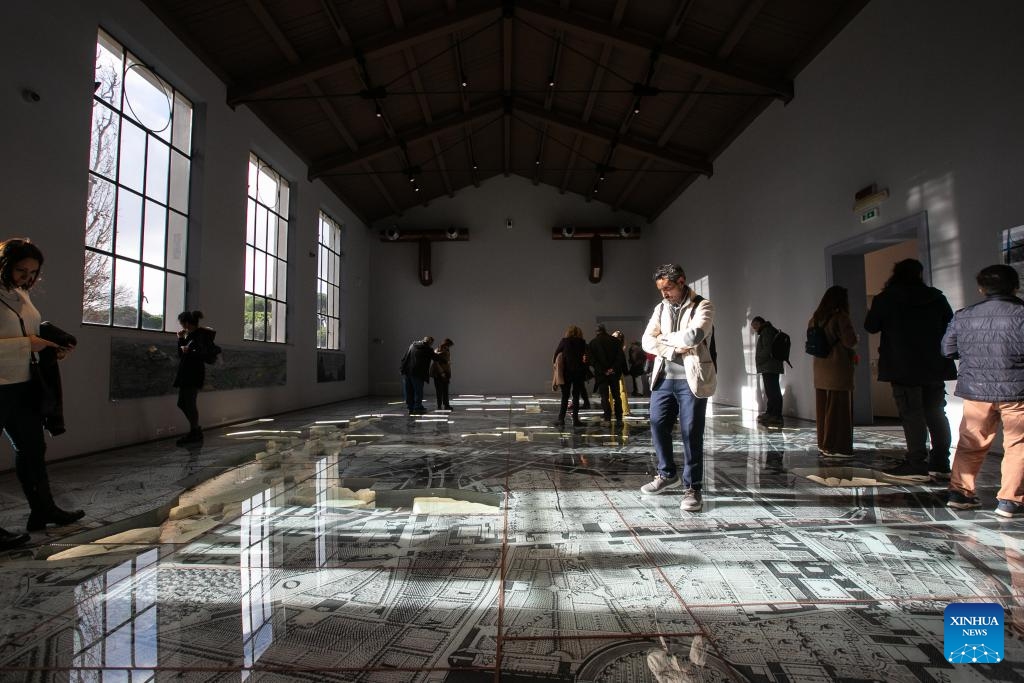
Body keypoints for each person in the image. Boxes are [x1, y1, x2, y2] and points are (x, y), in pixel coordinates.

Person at [0, 238, 84, 539]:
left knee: (33, 449)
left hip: (22, 382)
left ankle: (43, 509)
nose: (27, 278)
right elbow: (23, 338)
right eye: (21, 270)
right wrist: (28, 344)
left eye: (33, 272)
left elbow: (29, 329)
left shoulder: (20, 294)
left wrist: (51, 345)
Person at [864, 259, 957, 481]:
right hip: (934, 364)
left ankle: (916, 463)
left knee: (911, 413)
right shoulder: (936, 297)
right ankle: (941, 462)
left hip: (902, 364)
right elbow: (950, 325)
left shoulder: (886, 299)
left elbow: (871, 326)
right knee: (936, 412)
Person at [943, 264, 1024, 518]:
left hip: (976, 389)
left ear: (981, 288)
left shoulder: (964, 315)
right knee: (1018, 443)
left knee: (971, 442)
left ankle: (960, 494)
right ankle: (1009, 501)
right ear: (1016, 286)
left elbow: (947, 349)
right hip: (1017, 389)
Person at [640, 264, 716, 512]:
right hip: (663, 379)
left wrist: (663, 338)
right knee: (657, 424)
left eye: (668, 288)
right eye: (661, 289)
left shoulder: (702, 306)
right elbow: (646, 341)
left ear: (681, 281)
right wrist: (672, 346)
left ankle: (692, 488)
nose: (664, 293)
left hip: (691, 380)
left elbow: (694, 337)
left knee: (691, 433)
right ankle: (666, 473)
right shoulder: (660, 308)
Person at [810, 285, 858, 457]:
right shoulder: (841, 317)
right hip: (837, 367)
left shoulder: (815, 318)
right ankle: (837, 446)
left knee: (823, 408)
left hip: (820, 368)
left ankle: (824, 443)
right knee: (839, 409)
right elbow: (849, 341)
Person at [174, 310, 218, 446]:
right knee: (182, 402)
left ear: (186, 323)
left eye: (181, 323)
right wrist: (180, 339)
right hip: (186, 372)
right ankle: (195, 429)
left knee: (189, 402)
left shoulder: (200, 335)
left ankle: (195, 431)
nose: (181, 325)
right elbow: (182, 355)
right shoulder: (190, 336)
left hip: (193, 373)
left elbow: (202, 353)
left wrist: (191, 351)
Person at [589, 324, 627, 424]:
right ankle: (619, 418)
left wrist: (603, 370)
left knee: (604, 397)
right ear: (605, 330)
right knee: (616, 396)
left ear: (597, 332)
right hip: (614, 373)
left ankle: (607, 418)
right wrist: (612, 368)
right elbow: (620, 358)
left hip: (601, 374)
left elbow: (592, 360)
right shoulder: (615, 341)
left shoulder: (593, 343)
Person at [750, 316, 784, 427]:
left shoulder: (767, 331)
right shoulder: (768, 330)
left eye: (754, 326)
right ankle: (770, 413)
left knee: (773, 391)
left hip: (770, 366)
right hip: (770, 366)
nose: (754, 329)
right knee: (770, 391)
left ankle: (776, 415)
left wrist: (758, 359)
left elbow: (768, 349)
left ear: (759, 323)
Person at [552, 325, 588, 427]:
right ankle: (576, 420)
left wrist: (556, 366)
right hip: (578, 373)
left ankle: (561, 419)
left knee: (565, 396)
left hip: (566, 372)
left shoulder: (564, 341)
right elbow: (586, 357)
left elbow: (556, 355)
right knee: (576, 397)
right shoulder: (582, 342)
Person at [400, 336, 437, 414]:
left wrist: (402, 369)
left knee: (409, 391)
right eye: (431, 343)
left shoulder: (412, 345)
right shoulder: (428, 349)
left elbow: (405, 357)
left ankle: (410, 407)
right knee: (418, 391)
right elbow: (436, 358)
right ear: (430, 342)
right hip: (418, 373)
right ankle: (417, 407)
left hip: (407, 371)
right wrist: (440, 355)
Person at [611, 330, 631, 417]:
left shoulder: (616, 348)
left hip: (614, 371)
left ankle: (620, 410)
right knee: (619, 391)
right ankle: (622, 410)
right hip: (616, 371)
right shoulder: (620, 348)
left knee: (619, 391)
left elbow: (623, 361)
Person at [430, 338, 454, 411]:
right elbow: (436, 363)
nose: (449, 348)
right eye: (449, 346)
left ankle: (442, 405)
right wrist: (442, 373)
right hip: (440, 373)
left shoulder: (443, 350)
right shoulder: (440, 351)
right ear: (447, 345)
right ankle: (443, 405)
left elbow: (446, 362)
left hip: (443, 373)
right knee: (441, 390)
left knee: (442, 390)